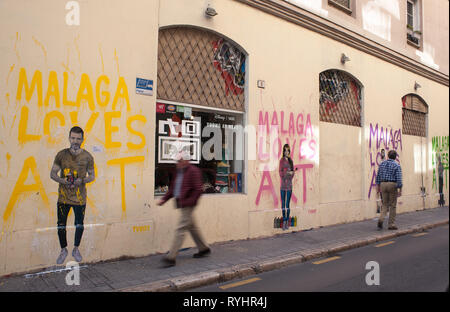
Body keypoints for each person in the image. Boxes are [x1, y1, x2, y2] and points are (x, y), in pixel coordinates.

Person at [157, 150, 210, 267]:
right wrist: (164, 199)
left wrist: (189, 202)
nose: (177, 163)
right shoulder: (179, 172)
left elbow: (198, 190)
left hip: (188, 204)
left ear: (186, 161)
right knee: (192, 227)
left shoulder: (193, 172)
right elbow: (172, 188)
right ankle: (204, 248)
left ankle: (171, 257)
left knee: (181, 229)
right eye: (177, 161)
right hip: (182, 203)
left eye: (179, 161)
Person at [50, 126, 95, 264]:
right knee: (61, 224)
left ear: (82, 139)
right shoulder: (61, 155)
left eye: (78, 138)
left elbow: (92, 176)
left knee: (79, 224)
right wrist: (62, 180)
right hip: (63, 197)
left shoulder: (87, 157)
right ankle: (63, 249)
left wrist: (82, 180)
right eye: (73, 138)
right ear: (69, 138)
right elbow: (53, 174)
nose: (75, 141)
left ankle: (76, 249)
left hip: (79, 198)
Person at [376, 150, 402, 230]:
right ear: (395, 157)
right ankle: (391, 224)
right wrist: (400, 188)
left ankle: (381, 219)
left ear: (388, 156)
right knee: (392, 205)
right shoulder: (397, 165)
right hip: (392, 185)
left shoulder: (382, 164)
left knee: (384, 204)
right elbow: (399, 178)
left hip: (383, 184)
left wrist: (378, 186)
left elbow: (378, 175)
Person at [279, 144, 295, 230]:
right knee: (283, 205)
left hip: (289, 186)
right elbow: (280, 173)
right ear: (283, 151)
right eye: (285, 150)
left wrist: (291, 173)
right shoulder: (281, 161)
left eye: (288, 150)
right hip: (283, 186)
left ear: (289, 151)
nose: (286, 152)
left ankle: (286, 222)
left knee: (287, 204)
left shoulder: (291, 161)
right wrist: (287, 173)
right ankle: (284, 220)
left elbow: (292, 174)